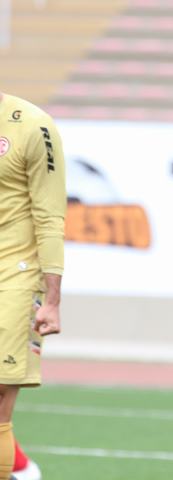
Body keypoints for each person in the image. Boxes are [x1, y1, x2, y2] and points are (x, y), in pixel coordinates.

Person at [0, 92, 66, 480]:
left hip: (15, 277)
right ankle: (22, 470)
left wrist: (52, 299)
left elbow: (50, 216)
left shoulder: (31, 125)